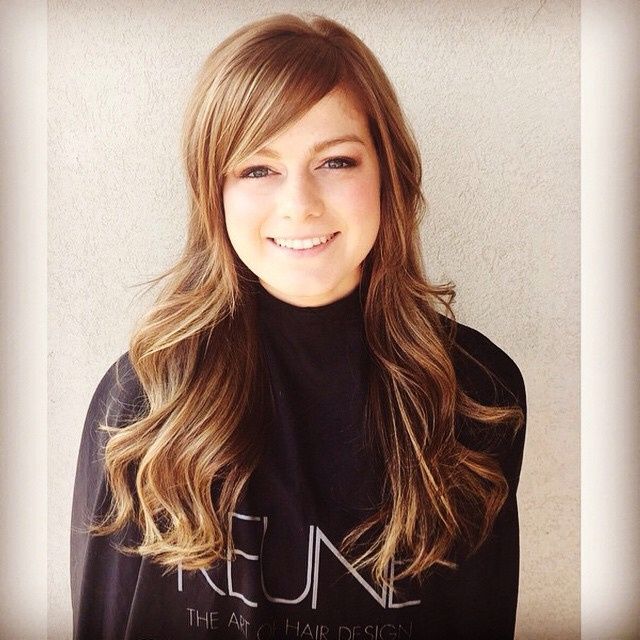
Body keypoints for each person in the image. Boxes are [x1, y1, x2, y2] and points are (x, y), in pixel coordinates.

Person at [70, 12, 526, 640]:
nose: (300, 205)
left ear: (387, 173)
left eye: (336, 161)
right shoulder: (145, 400)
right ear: (214, 194)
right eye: (257, 169)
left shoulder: (477, 394)